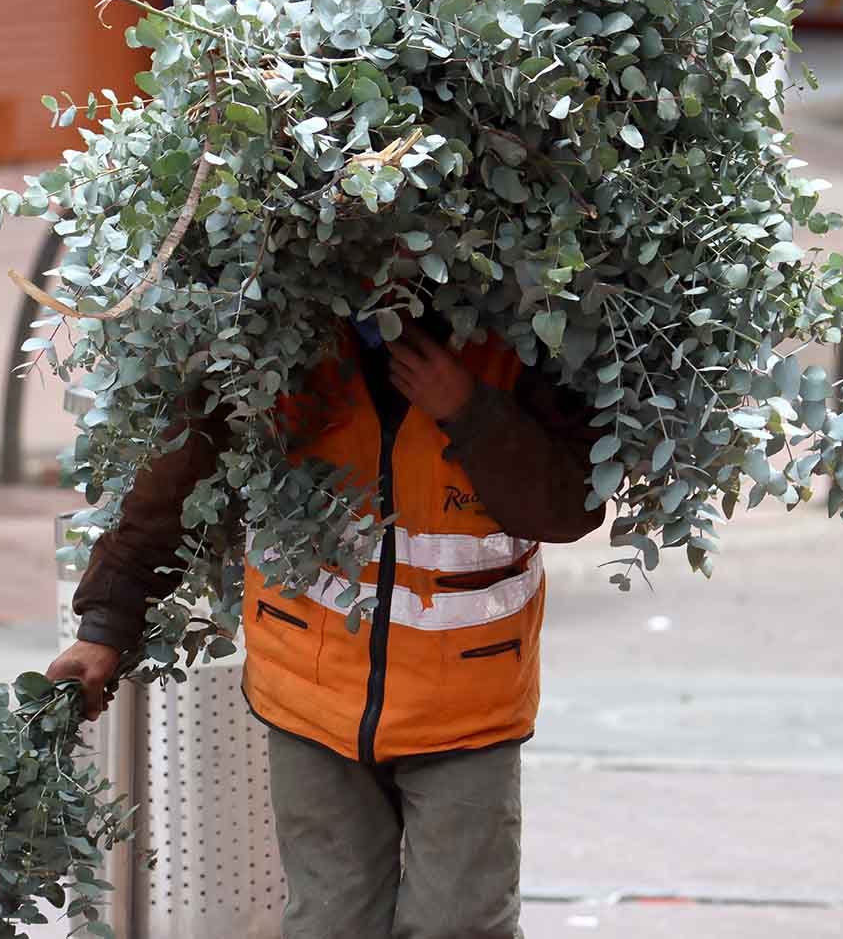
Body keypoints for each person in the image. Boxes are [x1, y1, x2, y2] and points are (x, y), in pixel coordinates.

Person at [47, 310, 604, 938]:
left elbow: (567, 508)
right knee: (330, 925)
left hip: (467, 705)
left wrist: (468, 408)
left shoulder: (532, 332)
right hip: (309, 696)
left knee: (461, 925)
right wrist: (103, 628)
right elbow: (177, 482)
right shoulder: (270, 323)